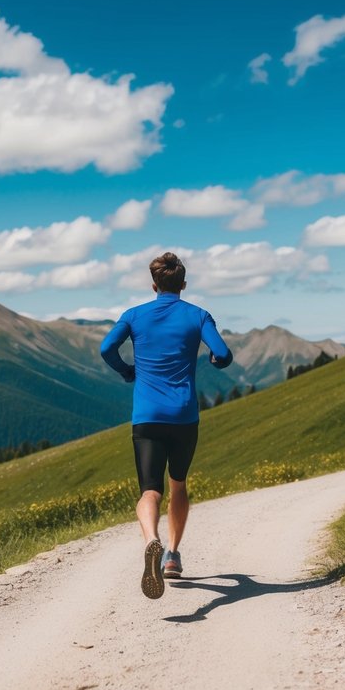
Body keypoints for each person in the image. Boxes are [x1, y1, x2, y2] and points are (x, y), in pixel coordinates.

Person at [99, 252, 232, 599]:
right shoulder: (198, 315)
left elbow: (106, 348)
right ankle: (172, 555)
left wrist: (127, 370)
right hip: (184, 417)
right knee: (178, 484)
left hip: (147, 416)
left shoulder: (134, 315)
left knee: (149, 490)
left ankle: (151, 540)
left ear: (154, 284)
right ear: (183, 285)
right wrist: (215, 361)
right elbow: (224, 354)